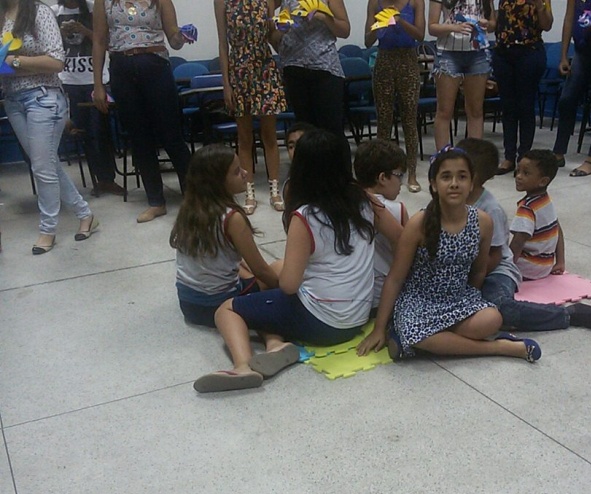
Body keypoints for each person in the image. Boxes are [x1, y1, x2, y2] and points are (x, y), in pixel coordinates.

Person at [193, 129, 403, 393]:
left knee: (227, 309)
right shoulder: (365, 201)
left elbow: (289, 285)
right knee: (275, 281)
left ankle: (242, 366)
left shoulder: (305, 216)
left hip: (321, 322)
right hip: (358, 317)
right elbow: (402, 239)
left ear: (301, 168)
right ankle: (275, 345)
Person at [358, 145, 542, 362]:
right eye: (446, 177)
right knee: (414, 330)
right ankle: (499, 347)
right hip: (420, 302)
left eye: (462, 177)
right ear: (434, 185)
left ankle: (423, 341)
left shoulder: (483, 221)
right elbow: (396, 278)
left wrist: (469, 302)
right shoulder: (419, 224)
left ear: (471, 183)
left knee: (492, 319)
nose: (454, 183)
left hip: (458, 299)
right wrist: (379, 328)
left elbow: (478, 271)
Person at [459, 137, 591, 331]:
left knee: (499, 307)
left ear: (472, 175)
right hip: (466, 269)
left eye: (457, 174)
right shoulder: (447, 201)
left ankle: (570, 314)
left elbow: (496, 256)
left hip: (495, 270)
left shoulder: (491, 210)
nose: (450, 182)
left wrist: (470, 285)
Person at [1, 0, 98, 254]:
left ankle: (48, 230)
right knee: (45, 165)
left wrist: (14, 62)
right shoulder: (1, 15)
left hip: (43, 97)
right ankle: (85, 214)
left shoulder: (39, 12)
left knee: (43, 167)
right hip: (12, 100)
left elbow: (56, 62)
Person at [92, 0, 193, 224]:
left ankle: (194, 196)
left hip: (155, 66)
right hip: (121, 69)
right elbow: (98, 41)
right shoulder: (104, 2)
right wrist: (98, 84)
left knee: (172, 136)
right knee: (140, 139)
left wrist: (182, 36)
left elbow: (173, 39)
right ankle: (156, 201)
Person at [169, 144, 279, 329]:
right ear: (218, 182)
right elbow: (261, 271)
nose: (245, 173)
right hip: (221, 306)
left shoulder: (189, 208)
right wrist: (286, 291)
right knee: (280, 269)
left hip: (189, 306)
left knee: (241, 267)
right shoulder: (232, 217)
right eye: (237, 172)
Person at [214, 0, 287, 216]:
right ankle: (249, 192)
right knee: (244, 138)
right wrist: (226, 84)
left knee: (270, 135)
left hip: (265, 67)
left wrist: (283, 29)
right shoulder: (222, 2)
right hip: (239, 70)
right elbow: (222, 44)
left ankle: (275, 190)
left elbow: (272, 37)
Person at [51, 0, 124, 196]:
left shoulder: (94, 8)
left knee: (99, 131)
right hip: (67, 81)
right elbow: (49, 46)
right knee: (82, 133)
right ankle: (98, 179)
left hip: (95, 81)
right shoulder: (54, 12)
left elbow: (106, 43)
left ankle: (107, 179)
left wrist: (84, 30)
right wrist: (61, 33)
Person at [364, 0, 424, 192]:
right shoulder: (375, 2)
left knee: (409, 119)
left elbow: (420, 35)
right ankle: (381, 172)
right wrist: (378, 27)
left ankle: (412, 173)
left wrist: (400, 21)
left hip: (408, 60)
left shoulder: (415, 2)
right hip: (384, 59)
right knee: (384, 120)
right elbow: (367, 41)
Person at [271, 0, 350, 137]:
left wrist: (324, 17)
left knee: (331, 130)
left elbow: (345, 30)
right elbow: (272, 36)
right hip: (293, 69)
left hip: (325, 68)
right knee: (305, 131)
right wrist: (282, 31)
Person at [492, 0, 553, 175]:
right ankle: (509, 157)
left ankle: (524, 157)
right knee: (508, 107)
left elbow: (547, 25)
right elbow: (496, 21)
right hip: (503, 52)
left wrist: (540, 6)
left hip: (530, 51)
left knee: (525, 106)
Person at [551, 0, 591, 177]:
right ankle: (558, 153)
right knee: (566, 100)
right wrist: (563, 55)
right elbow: (569, 19)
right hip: (581, 49)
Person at [428, 0, 495, 149]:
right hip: (448, 53)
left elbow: (492, 23)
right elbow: (432, 27)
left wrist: (487, 24)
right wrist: (454, 27)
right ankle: (444, 156)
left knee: (475, 110)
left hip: (477, 53)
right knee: (445, 111)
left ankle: (474, 157)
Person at [353, 138, 409, 306]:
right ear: (382, 178)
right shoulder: (397, 210)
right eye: (399, 176)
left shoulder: (346, 204)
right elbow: (409, 257)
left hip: (353, 294)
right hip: (383, 296)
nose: (401, 183)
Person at [509, 149, 564, 280]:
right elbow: (557, 229)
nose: (518, 176)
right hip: (545, 266)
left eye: (526, 173)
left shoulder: (527, 208)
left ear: (543, 181)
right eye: (518, 170)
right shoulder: (546, 200)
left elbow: (518, 241)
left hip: (527, 268)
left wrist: (505, 268)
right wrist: (560, 261)